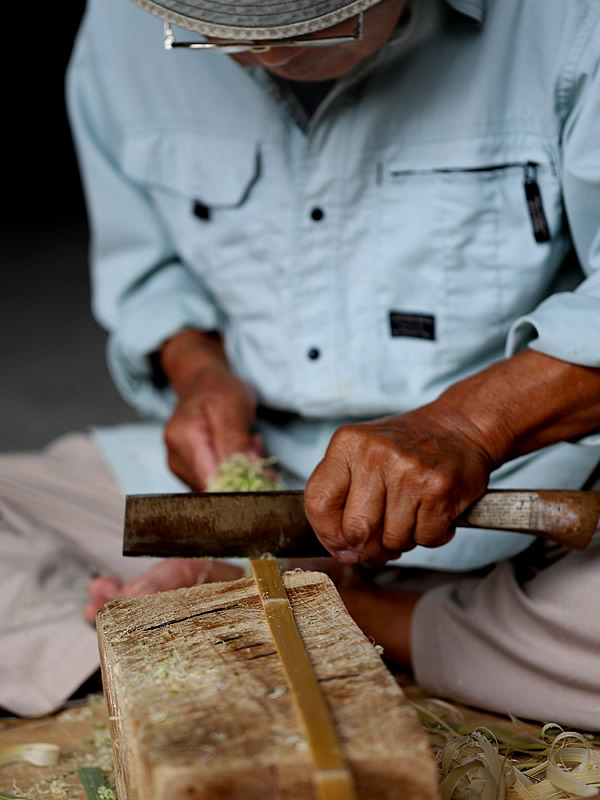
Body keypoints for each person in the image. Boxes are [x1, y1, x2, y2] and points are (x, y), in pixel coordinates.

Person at [1, 0, 599, 726]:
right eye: (215, 34)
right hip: (253, 486)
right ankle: (223, 615)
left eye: (317, 23)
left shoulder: (572, 20)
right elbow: (151, 271)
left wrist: (469, 425)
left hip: (524, 480)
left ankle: (350, 614)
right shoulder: (124, 24)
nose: (263, 57)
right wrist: (199, 373)